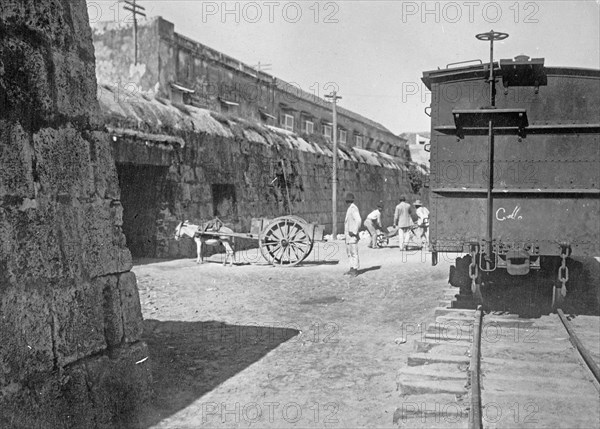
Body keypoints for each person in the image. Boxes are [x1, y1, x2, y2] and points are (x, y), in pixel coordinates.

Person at [344, 192, 361, 277]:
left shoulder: (353, 208)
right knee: (349, 253)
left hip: (352, 235)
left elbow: (358, 220)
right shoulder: (350, 208)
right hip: (348, 236)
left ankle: (355, 269)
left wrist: (354, 231)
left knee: (354, 252)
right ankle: (351, 268)